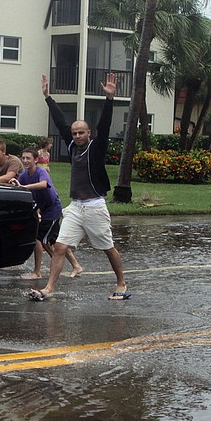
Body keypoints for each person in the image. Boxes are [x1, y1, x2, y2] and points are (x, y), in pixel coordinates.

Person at [29, 72, 130, 301]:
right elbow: (60, 121)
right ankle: (49, 288)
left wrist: (110, 99)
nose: (76, 136)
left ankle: (121, 283)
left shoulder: (96, 147)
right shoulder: (73, 146)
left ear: (88, 133)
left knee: (107, 248)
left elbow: (104, 125)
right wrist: (47, 97)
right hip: (76, 207)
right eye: (74, 133)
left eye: (81, 132)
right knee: (61, 246)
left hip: (95, 206)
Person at [10, 147, 84, 279]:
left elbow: (44, 184)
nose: (25, 161)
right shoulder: (25, 175)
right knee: (56, 241)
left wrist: (23, 186)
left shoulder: (41, 171)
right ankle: (75, 266)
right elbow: (16, 186)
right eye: (23, 158)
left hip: (53, 210)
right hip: (43, 210)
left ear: (36, 160)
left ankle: (37, 272)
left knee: (39, 238)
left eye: (28, 158)